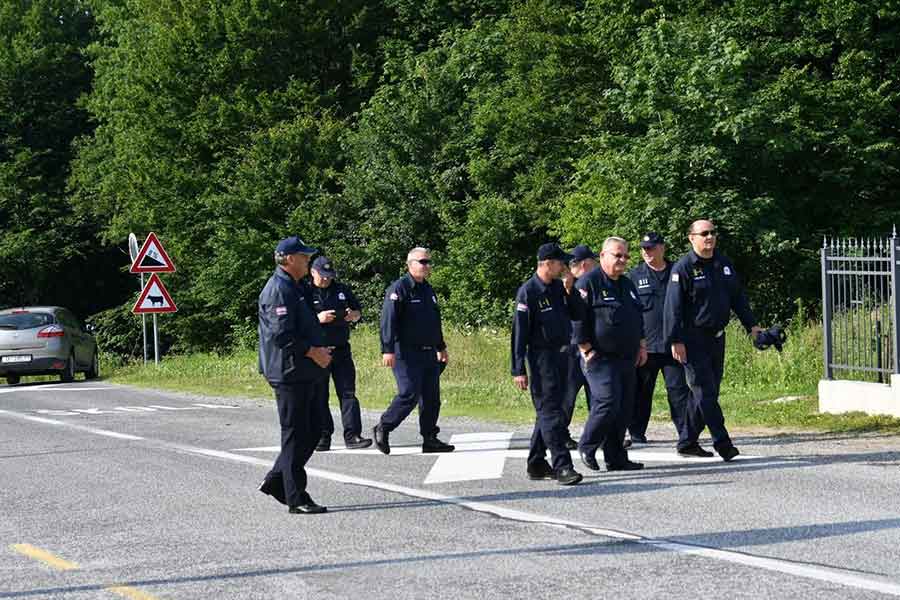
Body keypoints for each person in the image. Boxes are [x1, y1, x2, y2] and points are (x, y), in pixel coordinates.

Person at [663, 220, 762, 461]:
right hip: (692, 338)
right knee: (705, 392)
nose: (709, 237)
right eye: (704, 233)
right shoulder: (683, 268)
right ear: (692, 238)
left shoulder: (723, 263)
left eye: (713, 233)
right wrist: (675, 340)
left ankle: (687, 441)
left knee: (707, 392)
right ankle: (723, 443)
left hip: (717, 338)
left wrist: (752, 325)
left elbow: (737, 298)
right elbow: (673, 308)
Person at [257, 236, 333, 514]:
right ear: (289, 259)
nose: (308, 261)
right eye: (304, 257)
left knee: (313, 430)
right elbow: (282, 335)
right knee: (296, 433)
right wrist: (313, 351)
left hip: (303, 370)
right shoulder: (278, 289)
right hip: (288, 371)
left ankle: (277, 481)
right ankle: (295, 497)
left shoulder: (295, 286)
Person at [626, 232, 709, 456]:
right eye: (643, 249)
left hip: (674, 345)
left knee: (678, 392)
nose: (646, 252)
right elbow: (630, 312)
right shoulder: (634, 276)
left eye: (651, 248)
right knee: (641, 391)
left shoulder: (678, 271)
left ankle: (685, 434)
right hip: (647, 346)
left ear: (662, 248)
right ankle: (636, 433)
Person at [572, 237, 648, 472]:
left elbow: (637, 316)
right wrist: (586, 348)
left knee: (624, 408)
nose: (623, 260)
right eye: (618, 255)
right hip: (599, 357)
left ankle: (616, 457)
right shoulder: (588, 283)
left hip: (626, 357)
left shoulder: (627, 284)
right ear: (603, 255)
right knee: (607, 401)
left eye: (626, 256)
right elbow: (576, 319)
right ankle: (587, 445)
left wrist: (641, 345)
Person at [511, 243, 583, 485]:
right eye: (561, 262)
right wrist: (518, 368)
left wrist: (570, 290)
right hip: (541, 359)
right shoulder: (529, 292)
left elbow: (578, 314)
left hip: (563, 356)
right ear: (548, 263)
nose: (564, 266)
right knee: (551, 414)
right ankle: (563, 466)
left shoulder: (558, 287)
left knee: (549, 412)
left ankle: (536, 463)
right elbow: (519, 334)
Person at [373, 247, 455, 454]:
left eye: (428, 262)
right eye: (422, 262)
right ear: (409, 264)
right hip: (405, 352)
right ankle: (384, 427)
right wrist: (387, 349)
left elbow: (434, 322)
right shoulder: (399, 289)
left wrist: (441, 346)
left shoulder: (428, 289)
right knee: (409, 393)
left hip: (428, 352)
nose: (427, 266)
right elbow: (388, 320)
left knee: (431, 397)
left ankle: (430, 438)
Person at [309, 255, 372, 451]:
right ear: (312, 272)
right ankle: (322, 437)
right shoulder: (304, 291)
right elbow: (296, 321)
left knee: (348, 393)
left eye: (329, 275)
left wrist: (353, 315)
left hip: (341, 350)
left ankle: (353, 436)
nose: (326, 279)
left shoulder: (342, 289)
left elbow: (358, 311)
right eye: (322, 275)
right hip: (318, 351)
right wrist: (318, 318)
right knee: (319, 395)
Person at [561, 244, 597, 449]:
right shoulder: (568, 287)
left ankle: (599, 435)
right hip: (572, 349)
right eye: (593, 261)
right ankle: (560, 434)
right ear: (585, 264)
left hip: (586, 347)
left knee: (596, 394)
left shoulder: (581, 284)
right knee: (568, 395)